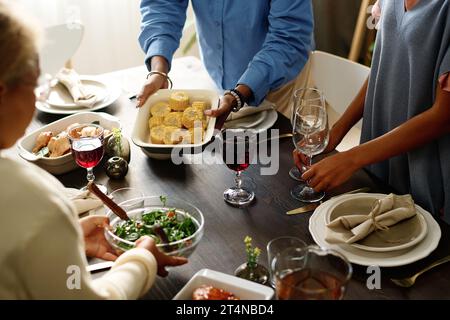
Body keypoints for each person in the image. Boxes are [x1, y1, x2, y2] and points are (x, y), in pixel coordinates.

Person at [0, 2, 186, 299]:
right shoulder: (33, 200)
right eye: (35, 84)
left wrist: (61, 242)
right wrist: (142, 258)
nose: (35, 100)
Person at [294, 0, 450, 223]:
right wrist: (336, 132)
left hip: (426, 171)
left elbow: (443, 117)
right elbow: (381, 69)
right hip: (379, 162)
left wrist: (351, 159)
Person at [137, 0, 314, 119]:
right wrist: (158, 70)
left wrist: (238, 94)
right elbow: (163, 4)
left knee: (277, 168)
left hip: (283, 91)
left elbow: (289, 37)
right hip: (220, 88)